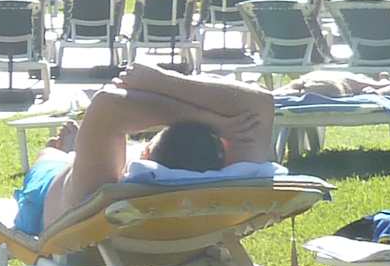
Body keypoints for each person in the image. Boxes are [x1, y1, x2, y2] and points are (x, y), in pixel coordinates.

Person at [14, 62, 276, 236]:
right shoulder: (232, 176)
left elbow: (106, 104)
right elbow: (262, 103)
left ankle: (70, 151)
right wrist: (168, 83)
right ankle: (77, 150)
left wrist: (207, 118)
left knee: (52, 156)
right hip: (189, 242)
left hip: (45, 202)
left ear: (147, 154)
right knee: (83, 154)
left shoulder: (99, 190)